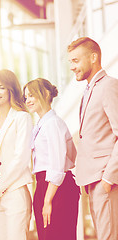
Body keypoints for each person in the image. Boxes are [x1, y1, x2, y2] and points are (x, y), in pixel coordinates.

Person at [68, 37, 118, 239]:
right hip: (92, 180)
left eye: (76, 60)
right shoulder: (88, 90)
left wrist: (108, 177)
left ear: (93, 57)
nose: (72, 67)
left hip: (104, 178)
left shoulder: (108, 86)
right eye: (70, 62)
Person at [0, 69, 33, 240]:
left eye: (1, 87)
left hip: (14, 192)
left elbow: (21, 159)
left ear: (12, 90)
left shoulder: (22, 118)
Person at [23, 78, 80, 240]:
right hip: (44, 185)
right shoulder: (41, 125)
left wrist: (47, 200)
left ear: (46, 94)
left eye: (32, 95)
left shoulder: (53, 124)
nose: (28, 100)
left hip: (56, 188)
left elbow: (57, 165)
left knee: (58, 234)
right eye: (26, 97)